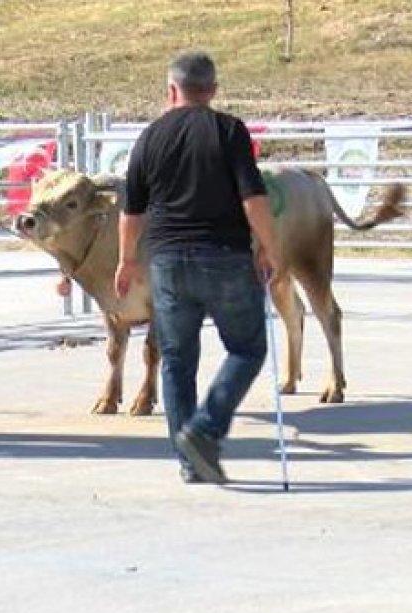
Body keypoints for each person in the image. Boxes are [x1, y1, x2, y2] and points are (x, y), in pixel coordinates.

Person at [113, 51, 281, 484]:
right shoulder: (228, 131)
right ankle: (204, 430)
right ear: (213, 90)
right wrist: (269, 247)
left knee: (176, 360)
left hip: (167, 261)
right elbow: (254, 198)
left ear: (172, 90)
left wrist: (127, 259)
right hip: (224, 256)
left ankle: (189, 462)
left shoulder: (150, 136)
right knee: (247, 348)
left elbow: (131, 210)